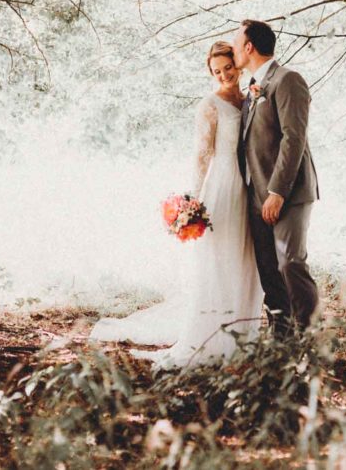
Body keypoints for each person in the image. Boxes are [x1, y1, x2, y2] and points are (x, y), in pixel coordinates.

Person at [88, 41, 264, 369]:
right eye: (217, 71)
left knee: (245, 260)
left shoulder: (251, 99)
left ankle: (241, 334)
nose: (224, 74)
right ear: (210, 74)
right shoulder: (209, 105)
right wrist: (192, 200)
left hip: (250, 186)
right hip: (223, 186)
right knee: (218, 259)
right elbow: (202, 154)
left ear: (239, 66)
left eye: (228, 67)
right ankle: (210, 335)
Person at [232, 19, 320, 335]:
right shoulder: (251, 89)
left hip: (289, 191)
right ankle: (282, 339)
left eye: (235, 41)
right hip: (255, 193)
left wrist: (277, 191)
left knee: (290, 263)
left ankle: (308, 334)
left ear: (249, 46)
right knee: (269, 270)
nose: (232, 48)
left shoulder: (288, 80)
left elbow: (293, 137)